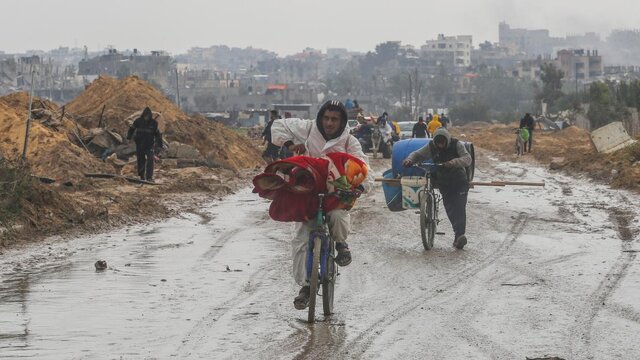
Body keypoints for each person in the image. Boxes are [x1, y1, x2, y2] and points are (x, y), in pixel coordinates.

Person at [270, 100, 373, 310]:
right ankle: (306, 287)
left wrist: (360, 188)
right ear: (320, 118)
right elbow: (278, 126)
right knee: (300, 238)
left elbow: (363, 167)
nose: (329, 123)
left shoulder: (349, 142)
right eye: (326, 118)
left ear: (342, 121)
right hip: (307, 191)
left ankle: (342, 245)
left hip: (335, 193)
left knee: (337, 216)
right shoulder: (308, 129)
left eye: (334, 119)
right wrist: (290, 144)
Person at [402, 127, 472, 250]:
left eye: (442, 143)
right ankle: (458, 235)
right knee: (450, 207)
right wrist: (409, 159)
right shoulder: (432, 146)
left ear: (447, 140)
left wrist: (453, 162)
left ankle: (460, 236)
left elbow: (467, 159)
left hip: (459, 181)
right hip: (444, 182)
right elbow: (418, 154)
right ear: (435, 141)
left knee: (459, 208)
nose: (440, 146)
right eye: (437, 143)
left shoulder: (457, 144)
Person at [127, 107, 162, 182]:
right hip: (139, 144)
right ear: (143, 115)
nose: (147, 117)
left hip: (149, 145)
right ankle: (141, 176)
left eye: (148, 116)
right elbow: (131, 129)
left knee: (150, 160)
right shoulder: (138, 121)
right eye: (146, 115)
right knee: (140, 160)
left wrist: (159, 144)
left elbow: (158, 134)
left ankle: (149, 177)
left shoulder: (154, 123)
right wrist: (129, 137)